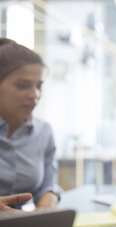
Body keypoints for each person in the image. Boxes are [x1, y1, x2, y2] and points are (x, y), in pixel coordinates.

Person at [0, 38, 62, 209]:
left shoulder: (44, 132)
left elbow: (47, 185)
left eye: (39, 86)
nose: (35, 95)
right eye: (23, 86)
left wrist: (50, 197)